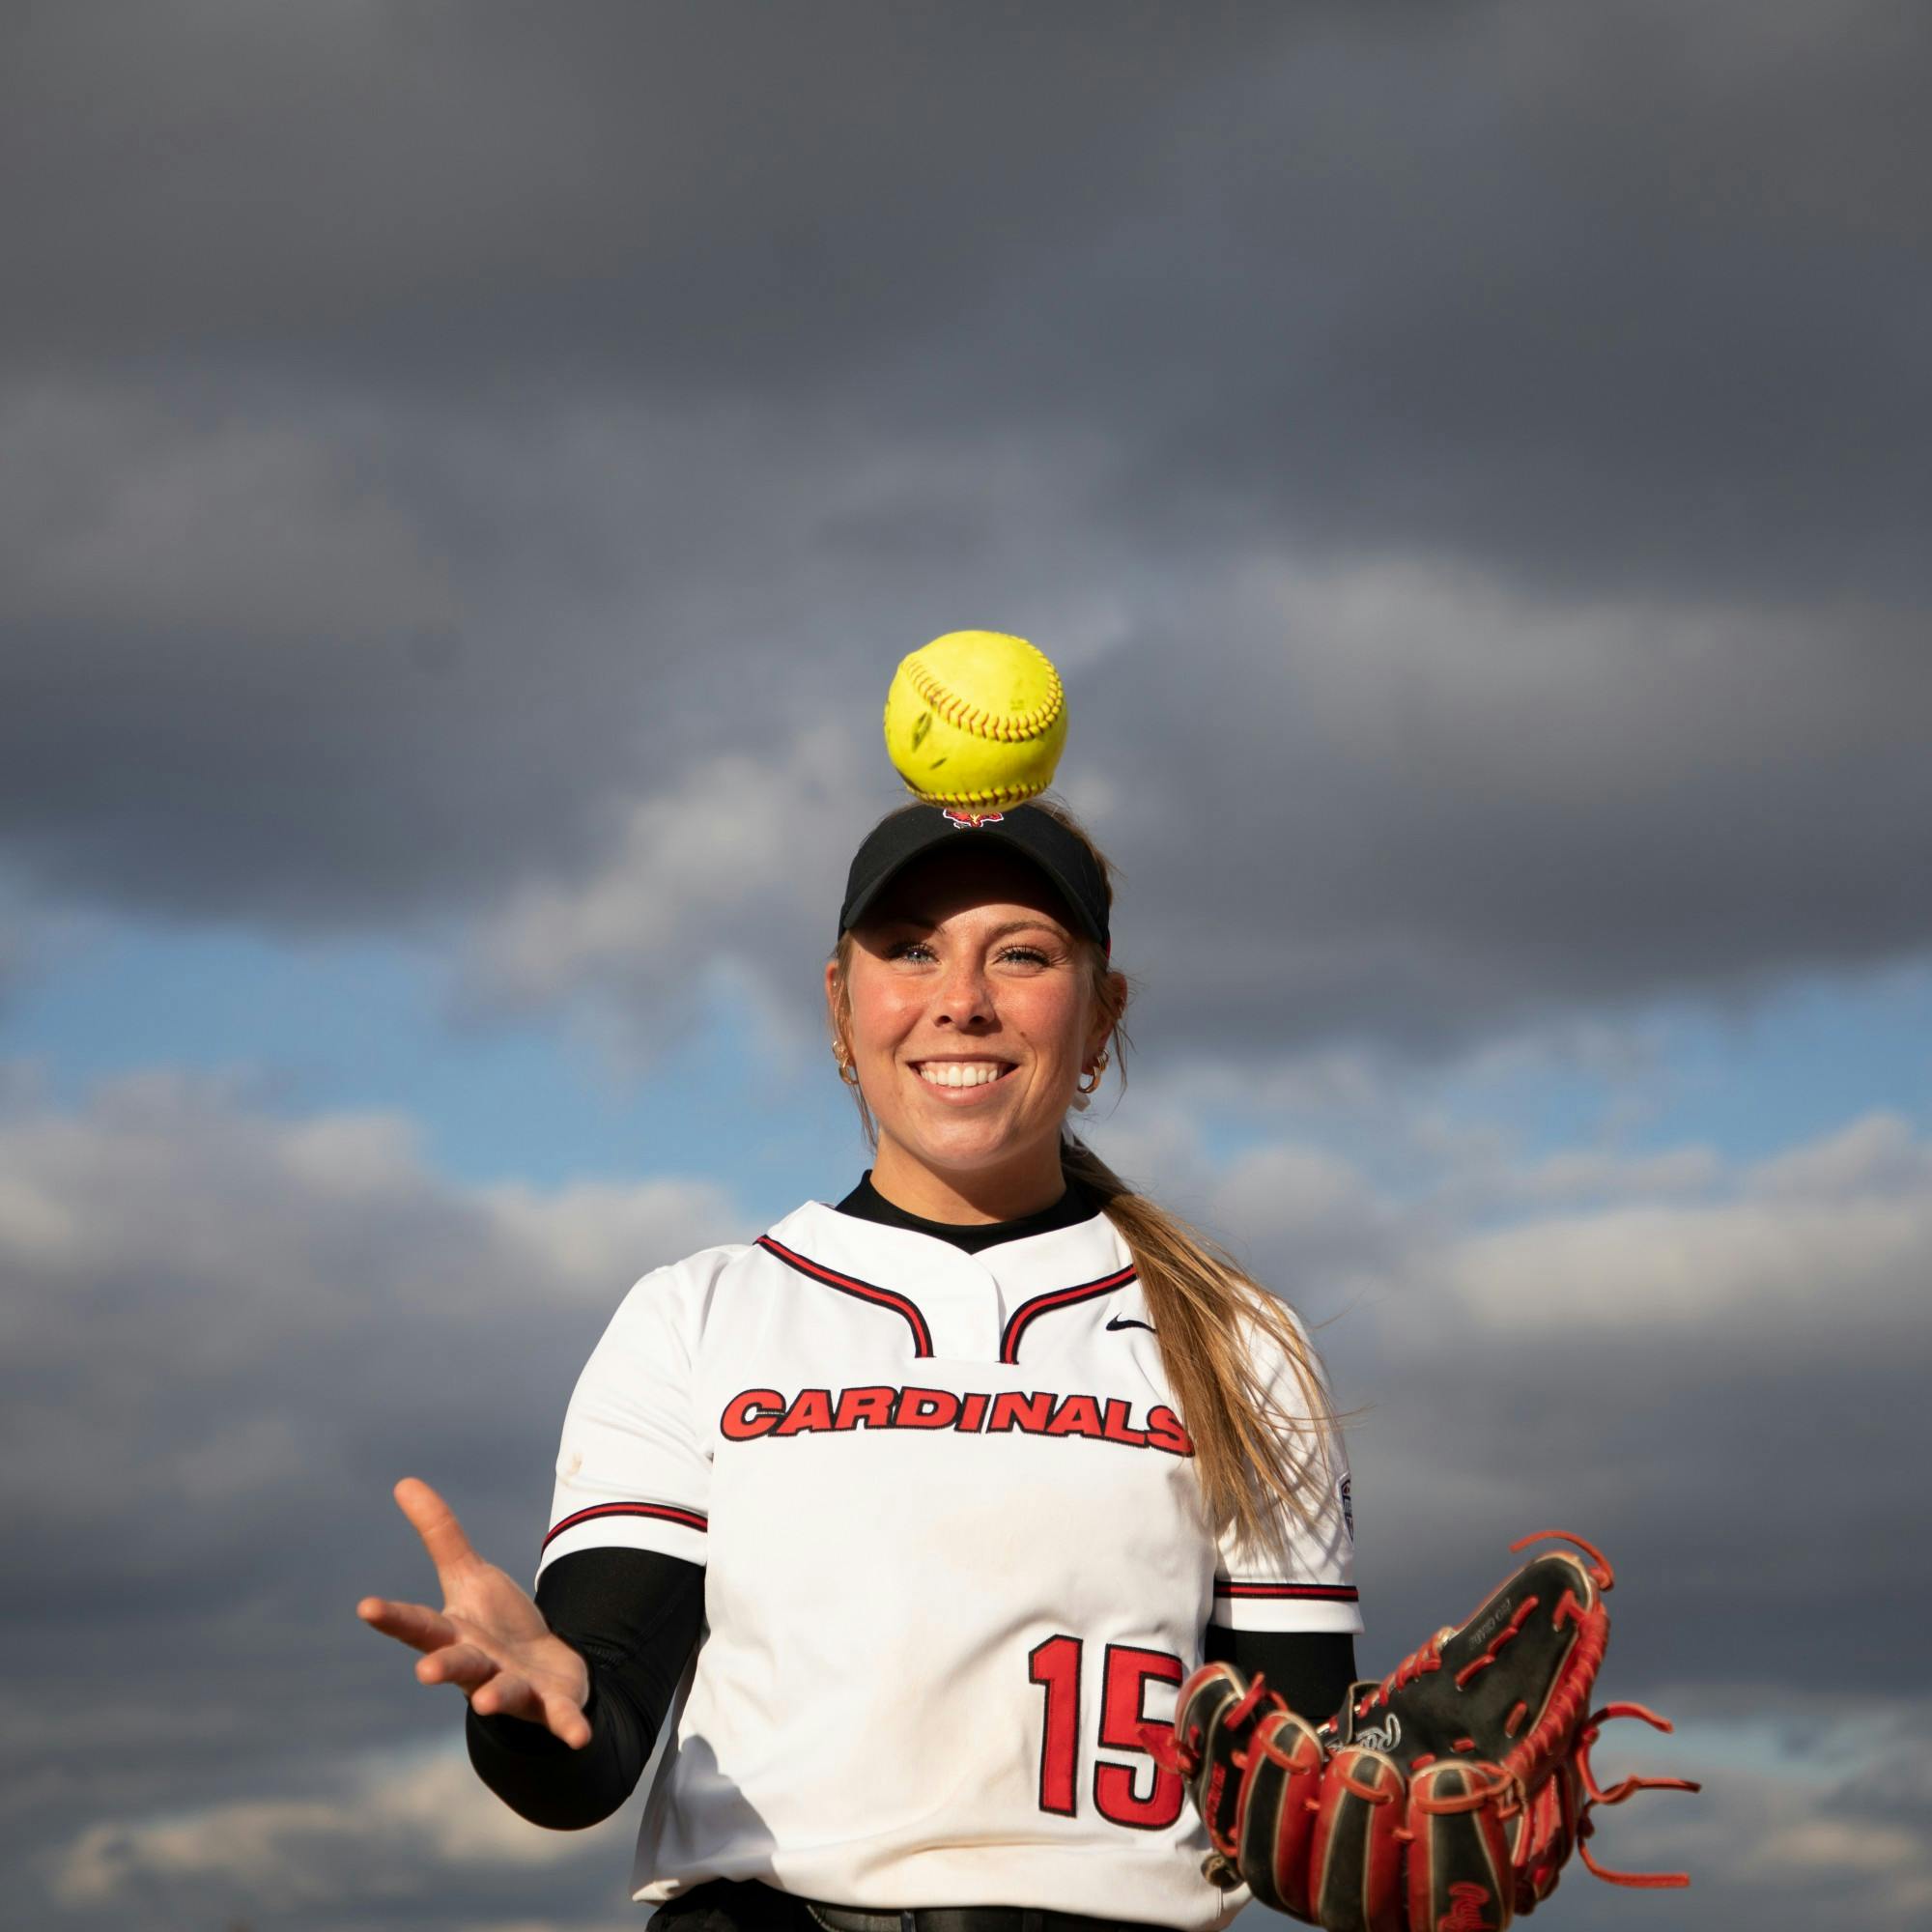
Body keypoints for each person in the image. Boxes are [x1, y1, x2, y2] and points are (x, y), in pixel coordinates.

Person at [359, 799, 1362, 1932]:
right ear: (839, 1006)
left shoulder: (1237, 1342)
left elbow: (1302, 1793)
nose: (961, 999)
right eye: (910, 949)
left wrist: (1413, 1802)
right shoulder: (701, 1314)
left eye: (1020, 954)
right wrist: (528, 1707)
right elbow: (588, 1755)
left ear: (1100, 1014)